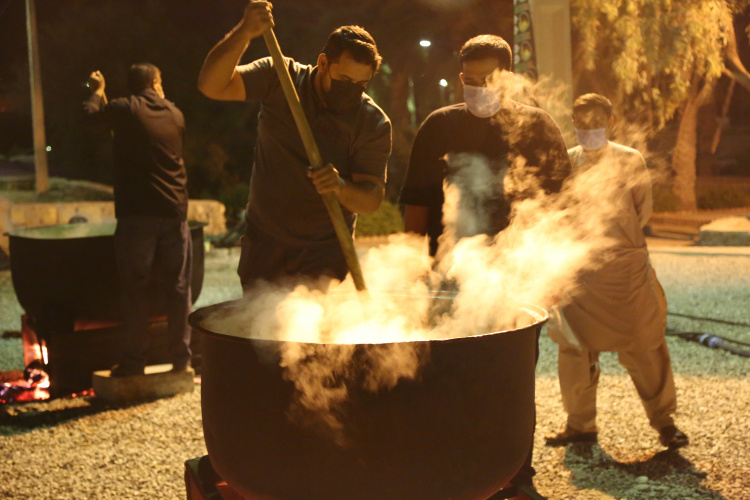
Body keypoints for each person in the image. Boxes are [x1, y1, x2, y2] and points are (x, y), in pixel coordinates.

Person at [399, 34, 572, 498]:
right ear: (460, 78)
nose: (479, 89)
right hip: (448, 278)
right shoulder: (438, 126)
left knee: (511, 380)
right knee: (448, 375)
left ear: (509, 78)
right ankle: (453, 471)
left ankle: (517, 476)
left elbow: (561, 208)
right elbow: (416, 203)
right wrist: (415, 268)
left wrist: (550, 276)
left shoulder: (538, 128)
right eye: (471, 81)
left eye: (488, 80)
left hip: (517, 279)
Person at [197, 1, 391, 289]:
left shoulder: (372, 122)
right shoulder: (281, 77)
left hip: (325, 257)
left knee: (313, 331)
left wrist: (339, 187)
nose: (351, 90)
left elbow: (371, 198)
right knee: (257, 331)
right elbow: (212, 85)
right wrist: (244, 33)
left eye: (360, 84)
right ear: (323, 62)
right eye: (344, 79)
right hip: (264, 248)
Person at [545, 93, 688, 450]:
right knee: (575, 349)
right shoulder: (566, 161)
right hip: (580, 269)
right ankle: (580, 426)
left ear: (609, 122)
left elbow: (641, 213)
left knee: (645, 344)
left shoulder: (629, 159)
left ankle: (665, 423)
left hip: (625, 269)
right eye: (581, 123)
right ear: (573, 123)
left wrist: (615, 245)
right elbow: (557, 213)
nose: (587, 129)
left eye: (595, 123)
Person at [83, 63, 193, 377]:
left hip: (137, 216)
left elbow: (92, 120)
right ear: (155, 83)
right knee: (179, 290)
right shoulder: (175, 114)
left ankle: (135, 362)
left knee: (135, 290)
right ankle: (181, 361)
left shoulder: (125, 108)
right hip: (174, 213)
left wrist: (96, 93)